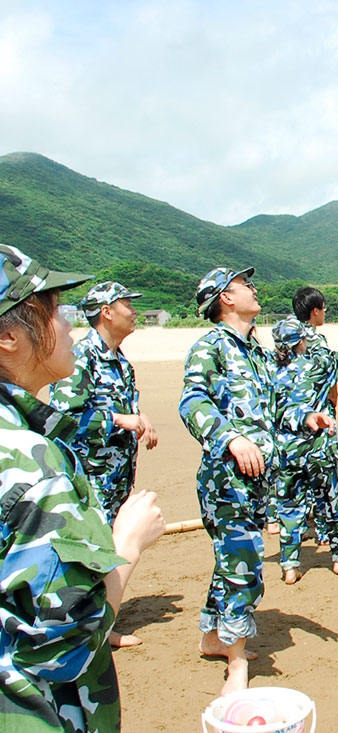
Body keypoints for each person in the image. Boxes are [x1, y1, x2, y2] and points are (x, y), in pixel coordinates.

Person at [0, 244, 165, 732]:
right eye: (52, 311)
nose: (68, 324)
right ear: (10, 336)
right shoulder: (33, 472)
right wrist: (127, 544)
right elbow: (62, 650)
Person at [179, 266, 332, 695]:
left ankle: (212, 637)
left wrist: (305, 418)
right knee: (241, 563)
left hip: (257, 477)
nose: (254, 288)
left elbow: (272, 408)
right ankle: (236, 667)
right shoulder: (210, 347)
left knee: (230, 558)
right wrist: (229, 437)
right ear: (225, 298)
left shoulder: (256, 351)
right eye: (244, 285)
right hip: (227, 478)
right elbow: (192, 402)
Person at [48, 280, 160, 648]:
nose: (134, 311)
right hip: (88, 476)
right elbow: (63, 416)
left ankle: (102, 626)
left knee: (109, 548)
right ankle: (83, 633)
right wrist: (118, 419)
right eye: (127, 303)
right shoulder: (83, 356)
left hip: (115, 475)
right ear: (107, 311)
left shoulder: (119, 361)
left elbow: (122, 406)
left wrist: (140, 418)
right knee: (90, 553)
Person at [271, 316, 338, 585]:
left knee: (288, 505)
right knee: (329, 501)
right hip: (318, 446)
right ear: (301, 341)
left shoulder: (269, 372)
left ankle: (289, 564)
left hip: (286, 448)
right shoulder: (317, 365)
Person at [292, 286, 338, 543]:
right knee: (325, 477)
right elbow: (331, 370)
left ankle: (297, 530)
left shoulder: (286, 338)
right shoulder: (314, 340)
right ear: (314, 311)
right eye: (323, 308)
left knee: (297, 477)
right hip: (318, 416)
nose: (325, 313)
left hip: (292, 418)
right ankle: (326, 533)